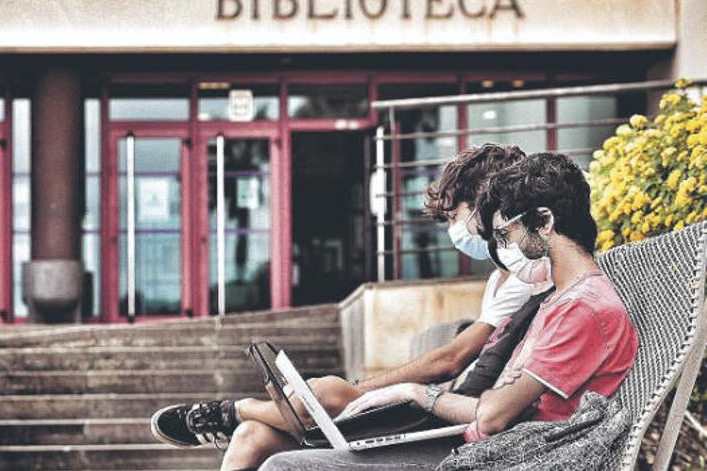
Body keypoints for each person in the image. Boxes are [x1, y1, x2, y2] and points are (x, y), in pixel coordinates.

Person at [150, 144, 541, 470]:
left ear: (488, 204)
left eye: (456, 215)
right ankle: (240, 416)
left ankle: (236, 409)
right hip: (442, 404)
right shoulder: (500, 278)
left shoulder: (528, 274)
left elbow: (451, 359)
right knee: (254, 435)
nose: (454, 229)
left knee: (327, 395)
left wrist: (362, 390)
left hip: (445, 423)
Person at [258, 152, 638, 470]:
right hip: (476, 446)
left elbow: (494, 416)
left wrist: (419, 395)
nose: (503, 248)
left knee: (285, 466)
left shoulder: (583, 308)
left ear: (544, 221)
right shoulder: (564, 299)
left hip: (503, 457)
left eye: (506, 234)